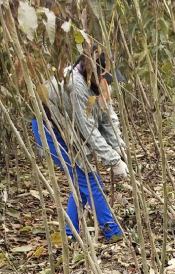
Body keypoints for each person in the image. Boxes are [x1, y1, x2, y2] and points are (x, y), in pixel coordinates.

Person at [32, 45, 127, 242]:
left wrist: (118, 148)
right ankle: (112, 232)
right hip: (50, 129)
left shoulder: (97, 85)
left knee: (81, 180)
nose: (107, 85)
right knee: (89, 178)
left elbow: (108, 118)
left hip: (67, 128)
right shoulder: (76, 86)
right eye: (105, 79)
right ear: (93, 73)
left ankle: (69, 232)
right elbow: (89, 130)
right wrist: (113, 161)